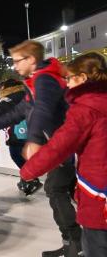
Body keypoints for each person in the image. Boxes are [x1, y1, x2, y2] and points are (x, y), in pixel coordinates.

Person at [0, 40, 81, 257]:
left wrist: (34, 139)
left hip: (65, 145)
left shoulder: (45, 80)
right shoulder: (35, 81)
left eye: (17, 61)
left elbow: (42, 110)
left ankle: (75, 242)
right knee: (68, 191)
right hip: (59, 145)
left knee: (55, 189)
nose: (15, 66)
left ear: (31, 59)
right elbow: (21, 111)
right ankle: (77, 241)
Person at [20, 52, 107, 257]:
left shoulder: (85, 108)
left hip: (99, 192)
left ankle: (73, 243)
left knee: (97, 244)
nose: (66, 84)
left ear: (83, 78)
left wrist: (29, 170)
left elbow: (60, 145)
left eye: (69, 78)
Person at [0, 78, 43, 194]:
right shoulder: (30, 95)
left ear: (5, 88)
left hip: (16, 134)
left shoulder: (6, 100)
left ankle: (31, 179)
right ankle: (26, 181)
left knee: (16, 155)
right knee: (29, 158)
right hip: (35, 133)